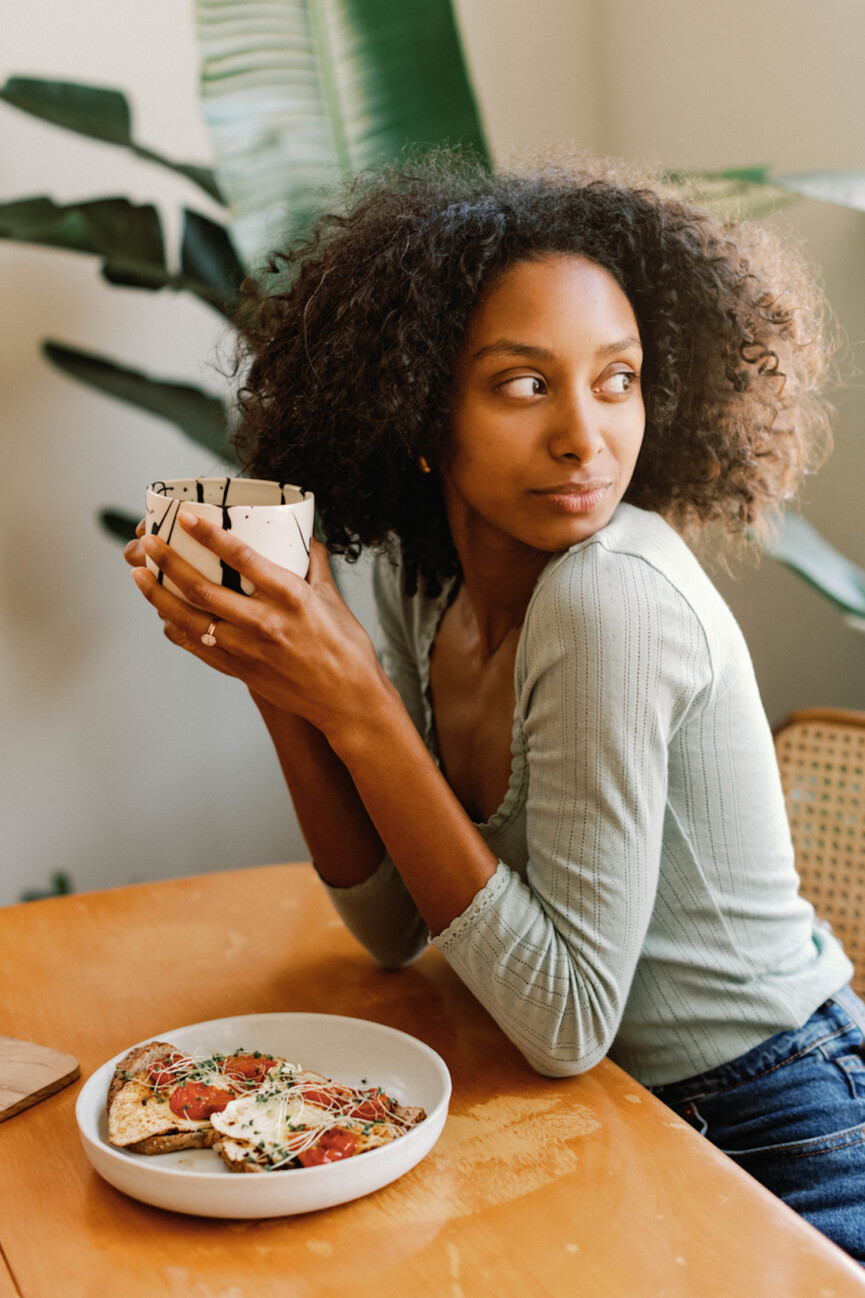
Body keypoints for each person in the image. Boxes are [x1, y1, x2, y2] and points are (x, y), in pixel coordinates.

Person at [126, 156, 865, 1260]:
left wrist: (358, 700)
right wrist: (279, 676)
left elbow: (567, 1021)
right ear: (422, 410)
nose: (584, 435)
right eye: (525, 383)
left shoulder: (608, 595)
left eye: (616, 377)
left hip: (776, 1121)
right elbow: (390, 924)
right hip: (604, 1105)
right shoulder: (426, 578)